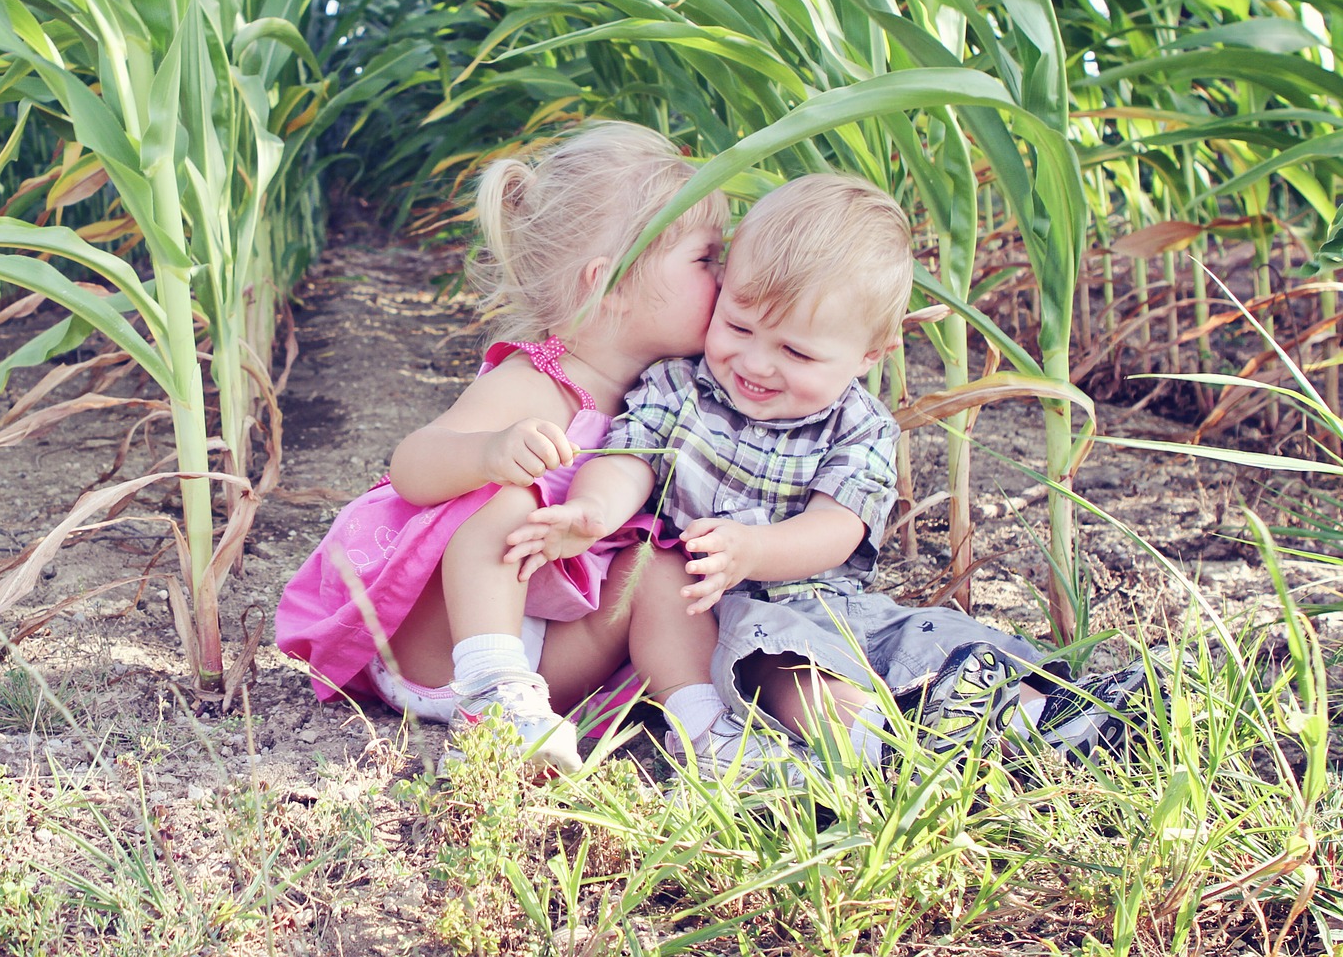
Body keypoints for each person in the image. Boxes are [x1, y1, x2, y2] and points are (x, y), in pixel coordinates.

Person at [514, 174, 1151, 779]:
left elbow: (838, 527)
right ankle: (883, 752)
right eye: (738, 326)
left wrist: (756, 550)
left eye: (796, 351)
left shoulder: (861, 427)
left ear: (872, 352)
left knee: (930, 642)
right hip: (708, 610)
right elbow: (628, 458)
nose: (755, 362)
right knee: (779, 661)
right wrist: (593, 510)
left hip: (821, 602)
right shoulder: (678, 386)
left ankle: (1044, 716)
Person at [275, 122, 728, 774]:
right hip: (445, 647)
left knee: (662, 567)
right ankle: (493, 696)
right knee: (510, 497)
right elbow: (411, 467)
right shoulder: (535, 383)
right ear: (612, 285)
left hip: (547, 655)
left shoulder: (665, 394)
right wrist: (487, 454)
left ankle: (704, 723)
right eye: (705, 258)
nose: (724, 274)